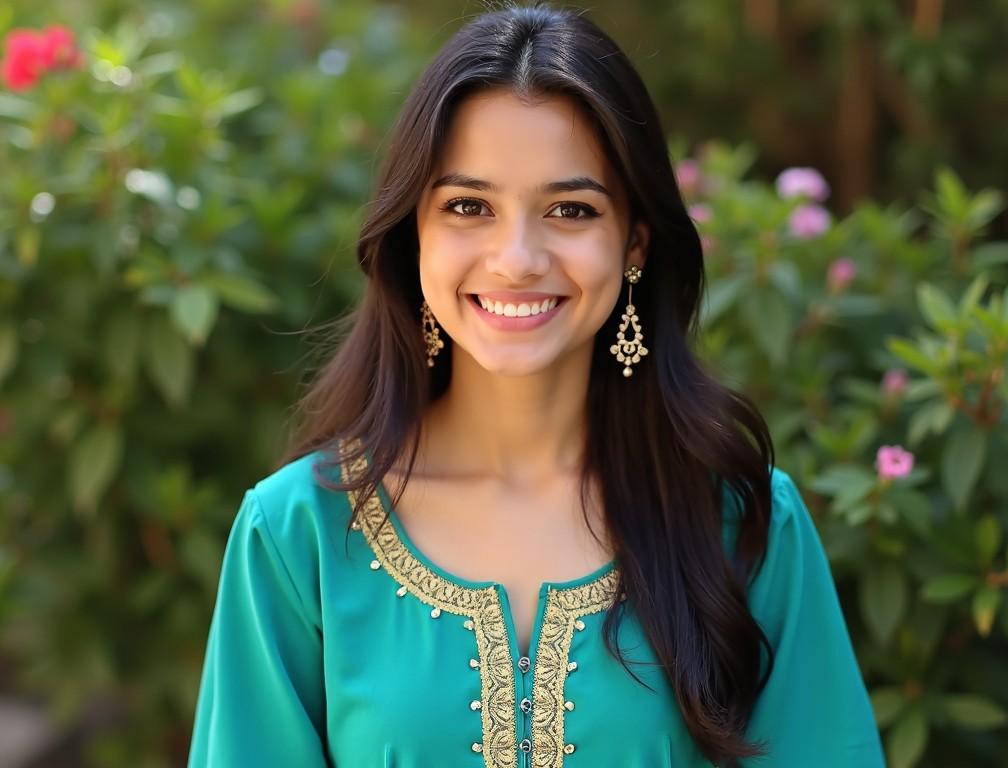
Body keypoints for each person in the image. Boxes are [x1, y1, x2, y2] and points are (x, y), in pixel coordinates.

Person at [186, 3, 886, 767]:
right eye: (467, 207)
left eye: (570, 209)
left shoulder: (740, 524)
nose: (517, 257)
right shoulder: (300, 535)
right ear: (412, 233)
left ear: (634, 244)